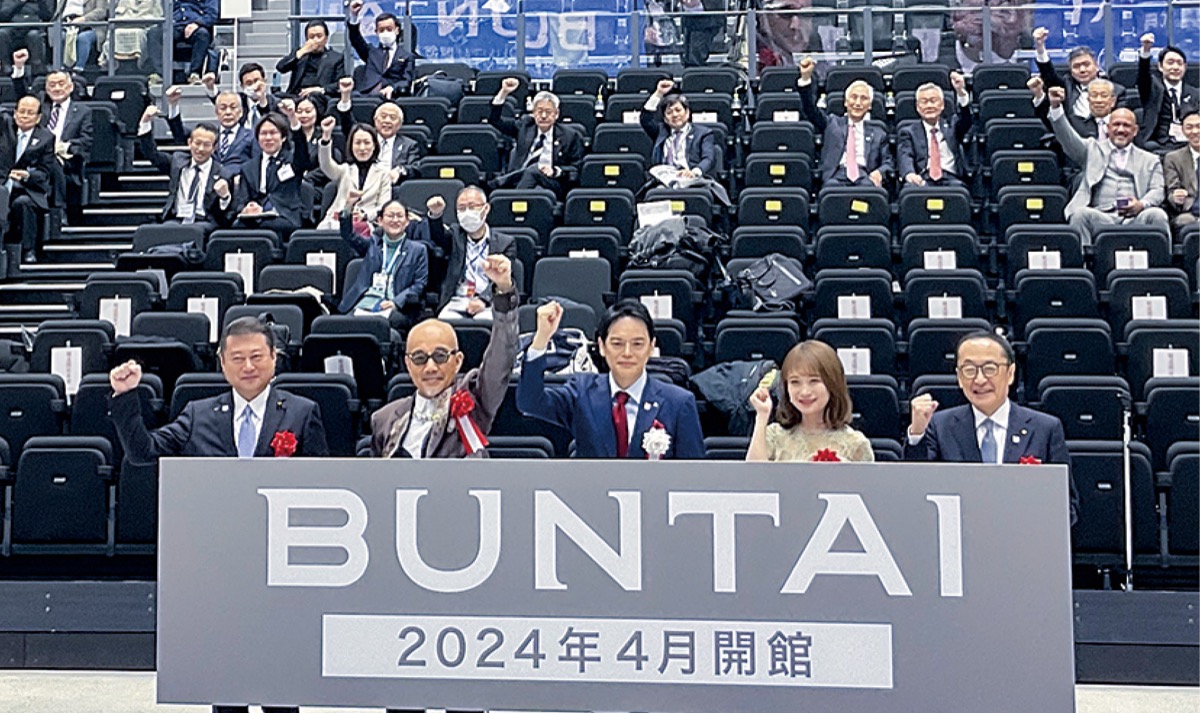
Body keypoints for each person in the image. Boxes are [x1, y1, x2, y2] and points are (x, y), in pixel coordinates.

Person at [109, 318, 321, 713]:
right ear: (222, 363)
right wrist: (126, 397)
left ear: (274, 358)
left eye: (256, 356)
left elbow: (321, 489)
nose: (248, 366)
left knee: (281, 682)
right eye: (237, 358)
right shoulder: (199, 414)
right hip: (220, 568)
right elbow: (143, 452)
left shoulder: (302, 412)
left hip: (281, 566)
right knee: (227, 682)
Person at [904, 331, 1078, 526]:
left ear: (1010, 373)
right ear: (959, 377)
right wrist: (917, 432)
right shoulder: (940, 426)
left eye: (989, 368)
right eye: (969, 369)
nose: (979, 380)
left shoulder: (1045, 428)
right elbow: (917, 491)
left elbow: (1067, 506)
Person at [370, 254, 518, 459]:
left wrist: (503, 291)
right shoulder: (383, 419)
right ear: (408, 364)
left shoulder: (474, 400)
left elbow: (501, 357)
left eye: (440, 356)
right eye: (419, 358)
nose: (430, 367)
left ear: (457, 361)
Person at [518, 299, 706, 459]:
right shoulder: (582, 392)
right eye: (617, 344)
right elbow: (530, 402)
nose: (627, 353)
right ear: (601, 346)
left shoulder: (678, 403)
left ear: (651, 347)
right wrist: (541, 339)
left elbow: (693, 476)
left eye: (637, 344)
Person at [1047, 85, 1168, 244]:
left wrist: (1141, 204)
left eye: (1126, 125)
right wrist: (1056, 107)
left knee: (1157, 215)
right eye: (1116, 125)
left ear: (1135, 131)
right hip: (1100, 215)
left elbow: (1158, 190)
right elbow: (1067, 138)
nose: (1121, 130)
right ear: (1108, 128)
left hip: (1136, 217)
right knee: (1080, 215)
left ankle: (1160, 260)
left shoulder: (1150, 159)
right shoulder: (1091, 149)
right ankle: (1083, 259)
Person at [746, 340, 873, 462]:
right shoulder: (774, 436)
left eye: (814, 381)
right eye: (795, 382)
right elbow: (753, 474)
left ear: (833, 384)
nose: (805, 391)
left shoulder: (856, 444)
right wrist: (762, 416)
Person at [12, 52, 93, 225]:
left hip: (65, 159)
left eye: (61, 84)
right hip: (34, 154)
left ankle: (59, 210)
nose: (56, 88)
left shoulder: (83, 111)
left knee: (53, 160)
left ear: (71, 87)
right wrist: (19, 67)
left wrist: (63, 147)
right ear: (47, 90)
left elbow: (86, 142)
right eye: (52, 85)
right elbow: (23, 97)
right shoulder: (41, 106)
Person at [136, 89, 231, 231]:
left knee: (195, 231)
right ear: (189, 143)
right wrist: (145, 122)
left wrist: (225, 197)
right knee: (161, 232)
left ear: (214, 148)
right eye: (197, 143)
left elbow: (226, 213)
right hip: (176, 218)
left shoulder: (223, 173)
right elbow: (152, 154)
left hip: (203, 221)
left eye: (206, 145)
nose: (200, 149)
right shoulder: (177, 162)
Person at [421, 186, 517, 320]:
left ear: (486, 208)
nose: (467, 212)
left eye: (472, 207)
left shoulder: (505, 243)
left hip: (489, 301)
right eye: (461, 208)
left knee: (485, 320)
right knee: (445, 319)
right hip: (457, 300)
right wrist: (435, 214)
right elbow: (438, 236)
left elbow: (503, 278)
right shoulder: (455, 235)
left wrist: (483, 300)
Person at [797, 56, 892, 189]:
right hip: (835, 176)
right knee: (832, 191)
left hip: (864, 176)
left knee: (870, 190)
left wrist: (879, 172)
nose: (858, 103)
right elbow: (810, 109)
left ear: (870, 105)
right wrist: (805, 79)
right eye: (854, 97)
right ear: (846, 102)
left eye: (863, 98)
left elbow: (888, 163)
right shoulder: (831, 123)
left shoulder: (879, 133)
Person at [338, 193, 428, 331]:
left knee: (385, 326)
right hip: (364, 304)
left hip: (395, 307)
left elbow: (419, 284)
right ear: (380, 221)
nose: (395, 220)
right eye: (390, 216)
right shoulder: (373, 244)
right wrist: (348, 206)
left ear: (407, 221)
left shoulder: (418, 250)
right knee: (344, 327)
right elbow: (348, 235)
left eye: (399, 216)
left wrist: (396, 302)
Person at [489, 78, 585, 198]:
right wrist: (503, 92)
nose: (543, 116)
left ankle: (512, 195)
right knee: (530, 172)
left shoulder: (570, 136)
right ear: (533, 113)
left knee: (534, 170)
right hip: (520, 181)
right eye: (539, 111)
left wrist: (555, 170)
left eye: (548, 112)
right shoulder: (525, 126)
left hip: (551, 183)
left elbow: (576, 168)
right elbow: (495, 121)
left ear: (556, 114)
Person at [227, 112, 315, 240]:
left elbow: (303, 156)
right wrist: (247, 208)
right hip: (257, 216)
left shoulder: (292, 161)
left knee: (268, 226)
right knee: (237, 227)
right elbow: (242, 200)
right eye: (263, 133)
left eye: (273, 133)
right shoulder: (248, 167)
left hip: (285, 215)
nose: (268, 138)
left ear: (283, 137)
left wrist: (294, 123)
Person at [333, 77, 424, 193]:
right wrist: (345, 96)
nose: (387, 121)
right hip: (362, 186)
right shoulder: (365, 138)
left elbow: (415, 168)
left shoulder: (409, 145)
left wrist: (399, 171)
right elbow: (348, 125)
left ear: (400, 124)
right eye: (383, 116)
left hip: (392, 189)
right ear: (375, 120)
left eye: (393, 117)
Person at [1034, 26, 1128, 137]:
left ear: (1096, 66)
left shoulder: (1116, 90)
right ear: (1071, 71)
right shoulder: (1066, 86)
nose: (1082, 70)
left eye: (1086, 65)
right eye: (1076, 66)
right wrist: (1040, 47)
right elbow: (1048, 74)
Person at [2, 95, 55, 265]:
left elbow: (44, 173)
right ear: (15, 113)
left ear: (38, 117)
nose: (25, 116)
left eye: (30, 113)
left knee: (23, 203)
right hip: (3, 184)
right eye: (21, 112)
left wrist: (26, 175)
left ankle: (28, 250)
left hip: (27, 189)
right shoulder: (4, 129)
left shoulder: (46, 138)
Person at [316, 116, 391, 230]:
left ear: (374, 146)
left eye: (367, 143)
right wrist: (326, 136)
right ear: (351, 146)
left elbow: (384, 206)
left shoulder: (383, 174)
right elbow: (326, 165)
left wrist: (365, 215)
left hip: (367, 224)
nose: (362, 148)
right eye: (357, 143)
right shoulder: (344, 170)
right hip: (337, 221)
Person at [898, 75, 972, 190]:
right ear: (917, 107)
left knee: (960, 192)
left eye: (933, 101)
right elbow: (905, 155)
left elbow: (966, 119)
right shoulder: (908, 132)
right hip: (923, 179)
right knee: (910, 190)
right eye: (924, 102)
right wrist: (909, 174)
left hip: (951, 179)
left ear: (942, 105)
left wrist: (960, 92)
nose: (929, 105)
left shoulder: (952, 125)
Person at [1137, 34, 1199, 153]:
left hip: (1188, 143)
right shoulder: (1152, 90)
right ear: (1160, 66)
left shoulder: (1196, 94)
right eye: (1170, 63)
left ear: (1185, 67)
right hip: (1159, 144)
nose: (1175, 67)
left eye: (1179, 63)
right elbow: (1143, 76)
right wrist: (1146, 51)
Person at [347, 0, 415, 99]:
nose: (385, 33)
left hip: (392, 97)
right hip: (368, 97)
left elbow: (406, 81)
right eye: (381, 30)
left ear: (397, 30)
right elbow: (355, 39)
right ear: (376, 32)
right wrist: (354, 16)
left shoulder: (407, 56)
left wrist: (392, 88)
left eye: (389, 29)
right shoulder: (371, 52)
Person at [941, 0, 1031, 73]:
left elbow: (1015, 24)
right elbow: (957, 24)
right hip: (969, 54)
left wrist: (990, 22)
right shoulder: (967, 4)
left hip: (1003, 54)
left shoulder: (1011, 5)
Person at [145, 0, 217, 85]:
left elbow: (212, 14)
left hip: (196, 26)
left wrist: (197, 23)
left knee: (202, 34)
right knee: (154, 33)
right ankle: (159, 74)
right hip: (173, 25)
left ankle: (195, 74)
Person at [1030, 75, 1117, 142]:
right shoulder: (1075, 123)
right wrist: (1054, 105)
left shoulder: (1122, 124)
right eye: (1094, 96)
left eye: (1104, 96)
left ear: (1113, 101)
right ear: (1088, 100)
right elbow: (1056, 124)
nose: (1099, 100)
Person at [275, 19, 344, 104]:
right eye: (311, 37)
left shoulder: (336, 58)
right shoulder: (300, 54)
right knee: (276, 98)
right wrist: (302, 51)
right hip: (296, 96)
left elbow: (339, 84)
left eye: (319, 36)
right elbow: (281, 67)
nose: (315, 40)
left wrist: (320, 89)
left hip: (319, 97)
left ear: (326, 38)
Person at [1163, 109, 1200, 230]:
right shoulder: (1173, 158)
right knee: (1183, 221)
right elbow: (1172, 191)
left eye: (1198, 126)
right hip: (1191, 212)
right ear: (1183, 131)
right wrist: (1176, 197)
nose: (1195, 131)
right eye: (1189, 127)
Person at [0, 0, 54, 75]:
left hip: (33, 28)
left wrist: (41, 2)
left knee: (34, 35)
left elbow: (47, 16)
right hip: (11, 27)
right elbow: (2, 16)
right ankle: (5, 69)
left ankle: (37, 72)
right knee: (2, 33)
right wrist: (20, 2)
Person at [61, 0, 108, 72]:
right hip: (66, 24)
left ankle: (78, 69)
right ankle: (62, 69)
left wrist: (83, 19)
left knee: (83, 38)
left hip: (92, 26)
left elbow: (101, 11)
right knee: (61, 36)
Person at [679, 0, 724, 67]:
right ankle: (692, 65)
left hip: (708, 20)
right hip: (690, 20)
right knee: (690, 52)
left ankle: (696, 66)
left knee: (695, 50)